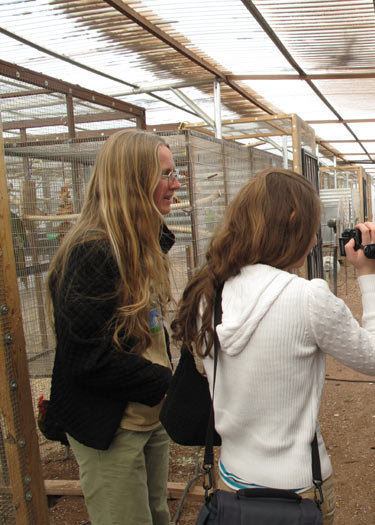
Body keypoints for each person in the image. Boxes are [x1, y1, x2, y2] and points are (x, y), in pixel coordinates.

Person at [171, 168, 375, 525]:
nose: (314, 236)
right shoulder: (308, 299)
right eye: (313, 225)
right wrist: (369, 274)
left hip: (232, 484)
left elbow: (205, 369)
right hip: (297, 492)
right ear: (293, 221)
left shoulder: (206, 294)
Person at [47, 129, 181, 525]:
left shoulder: (143, 242)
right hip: (110, 425)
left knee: (156, 513)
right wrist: (171, 383)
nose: (176, 183)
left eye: (175, 172)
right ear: (133, 182)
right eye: (166, 174)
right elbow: (87, 360)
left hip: (148, 415)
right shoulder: (91, 252)